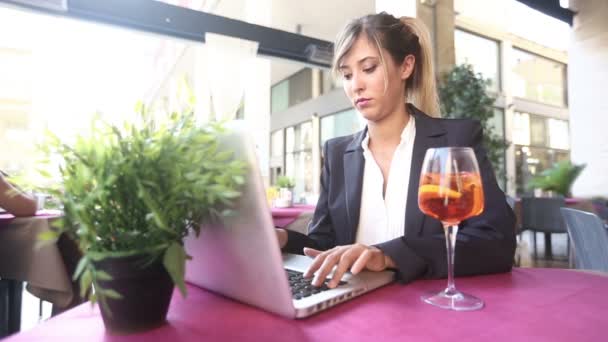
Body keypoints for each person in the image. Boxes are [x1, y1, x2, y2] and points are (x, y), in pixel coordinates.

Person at [276, 12, 515, 288]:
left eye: (368, 68)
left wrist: (389, 255)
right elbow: (323, 245)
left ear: (406, 67)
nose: (356, 85)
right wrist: (283, 238)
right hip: (350, 312)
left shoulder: (454, 141)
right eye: (346, 74)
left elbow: (496, 242)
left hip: (428, 312)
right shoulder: (337, 154)